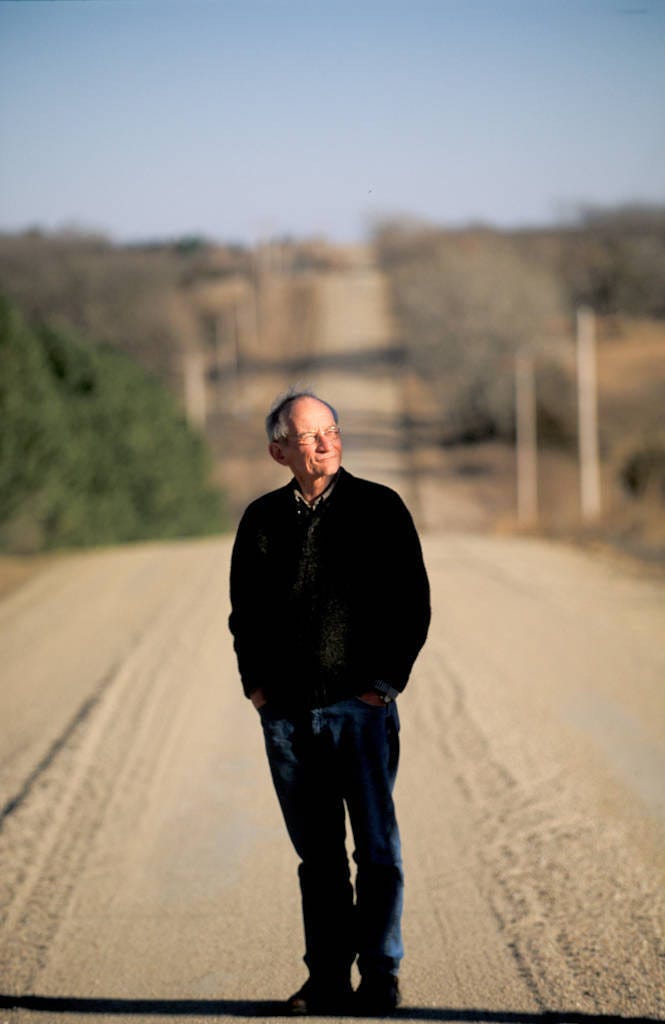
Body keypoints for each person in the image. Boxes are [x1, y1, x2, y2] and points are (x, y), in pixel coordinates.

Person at [229, 387, 430, 1016]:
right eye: (310, 434)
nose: (327, 442)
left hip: (360, 711)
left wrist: (383, 685)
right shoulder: (261, 520)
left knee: (376, 849)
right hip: (288, 717)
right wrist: (257, 687)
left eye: (333, 429)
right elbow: (245, 614)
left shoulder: (380, 508)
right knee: (318, 857)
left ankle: (380, 977)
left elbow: (412, 606)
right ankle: (326, 981)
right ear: (278, 450)